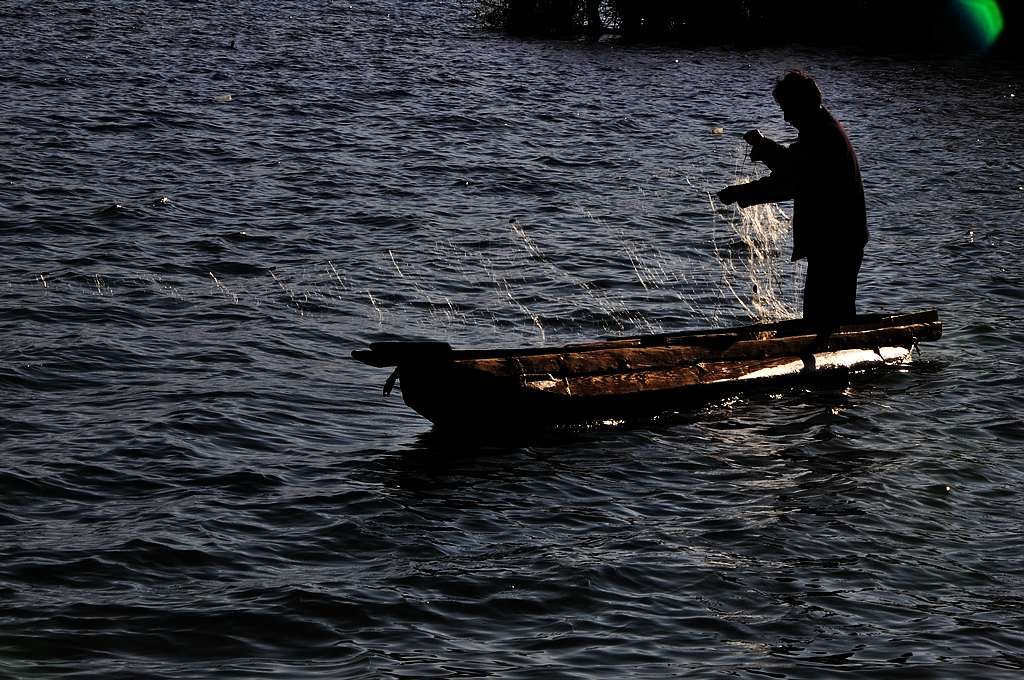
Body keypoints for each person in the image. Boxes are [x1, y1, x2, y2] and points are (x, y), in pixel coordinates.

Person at [717, 70, 868, 330]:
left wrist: (741, 192)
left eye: (787, 109)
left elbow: (791, 181)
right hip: (838, 239)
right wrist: (763, 146)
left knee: (824, 321)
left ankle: (833, 362)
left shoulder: (823, 136)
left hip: (836, 241)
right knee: (831, 319)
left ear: (803, 104)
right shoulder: (820, 131)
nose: (786, 118)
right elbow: (793, 167)